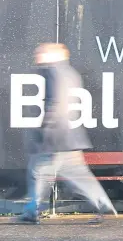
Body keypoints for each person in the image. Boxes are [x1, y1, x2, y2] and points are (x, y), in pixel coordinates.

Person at [16, 43, 117, 224]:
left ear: (53, 55)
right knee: (78, 175)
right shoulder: (70, 72)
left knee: (38, 172)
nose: (38, 56)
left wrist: (46, 129)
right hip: (70, 137)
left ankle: (32, 211)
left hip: (56, 136)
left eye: (42, 53)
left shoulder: (54, 72)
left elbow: (57, 103)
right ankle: (102, 203)